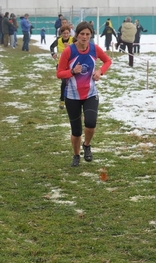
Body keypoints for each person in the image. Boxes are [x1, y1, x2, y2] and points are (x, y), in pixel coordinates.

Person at [56, 21, 112, 167]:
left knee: (91, 123)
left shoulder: (95, 49)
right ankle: (76, 155)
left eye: (88, 34)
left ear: (91, 35)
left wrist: (100, 71)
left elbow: (107, 61)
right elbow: (59, 73)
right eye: (82, 34)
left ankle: (87, 145)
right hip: (72, 95)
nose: (85, 37)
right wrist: (72, 71)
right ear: (77, 35)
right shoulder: (69, 51)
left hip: (90, 94)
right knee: (76, 131)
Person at [50, 25, 74, 109]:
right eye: (64, 33)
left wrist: (70, 47)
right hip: (61, 64)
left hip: (71, 64)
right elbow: (51, 47)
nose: (66, 35)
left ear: (70, 33)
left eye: (67, 33)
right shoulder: (58, 40)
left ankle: (72, 99)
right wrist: (53, 53)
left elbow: (79, 48)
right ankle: (62, 100)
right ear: (61, 34)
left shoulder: (73, 40)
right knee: (64, 82)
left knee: (72, 83)